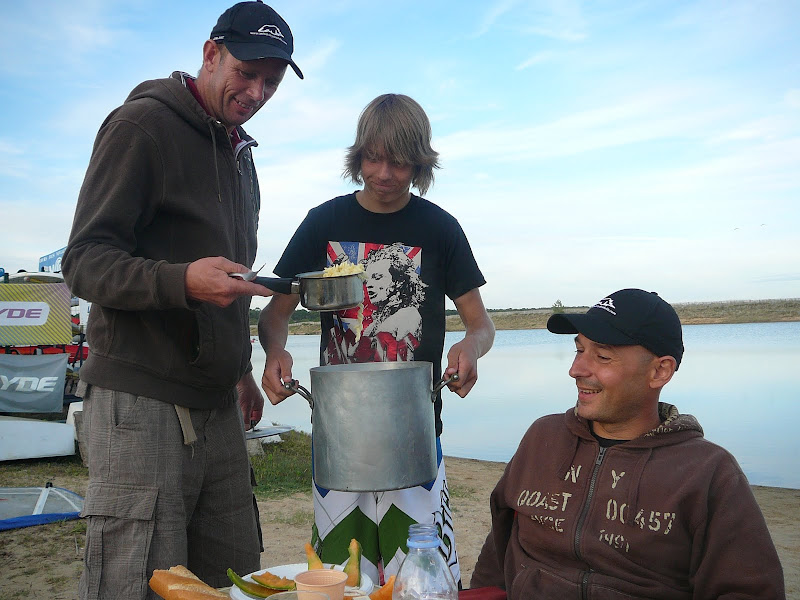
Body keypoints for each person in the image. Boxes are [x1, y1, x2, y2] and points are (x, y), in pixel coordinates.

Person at [61, 2, 303, 598]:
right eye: (246, 72)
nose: (256, 91)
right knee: (136, 583)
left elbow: (235, 282)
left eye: (271, 81)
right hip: (138, 403)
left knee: (237, 579)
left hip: (218, 407)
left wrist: (241, 369)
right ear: (210, 54)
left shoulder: (241, 155)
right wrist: (181, 281)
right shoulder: (141, 127)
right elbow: (84, 260)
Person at [258, 93, 496, 586]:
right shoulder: (324, 223)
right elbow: (274, 314)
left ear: (420, 163)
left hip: (414, 434)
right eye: (373, 157)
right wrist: (275, 351)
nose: (385, 172)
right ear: (358, 156)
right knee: (339, 582)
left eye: (400, 161)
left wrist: (469, 349)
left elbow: (481, 323)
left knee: (420, 579)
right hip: (339, 438)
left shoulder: (439, 228)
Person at [470, 289, 785, 599]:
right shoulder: (543, 437)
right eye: (579, 351)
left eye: (603, 356)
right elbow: (498, 550)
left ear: (659, 371)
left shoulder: (708, 473)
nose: (575, 370)